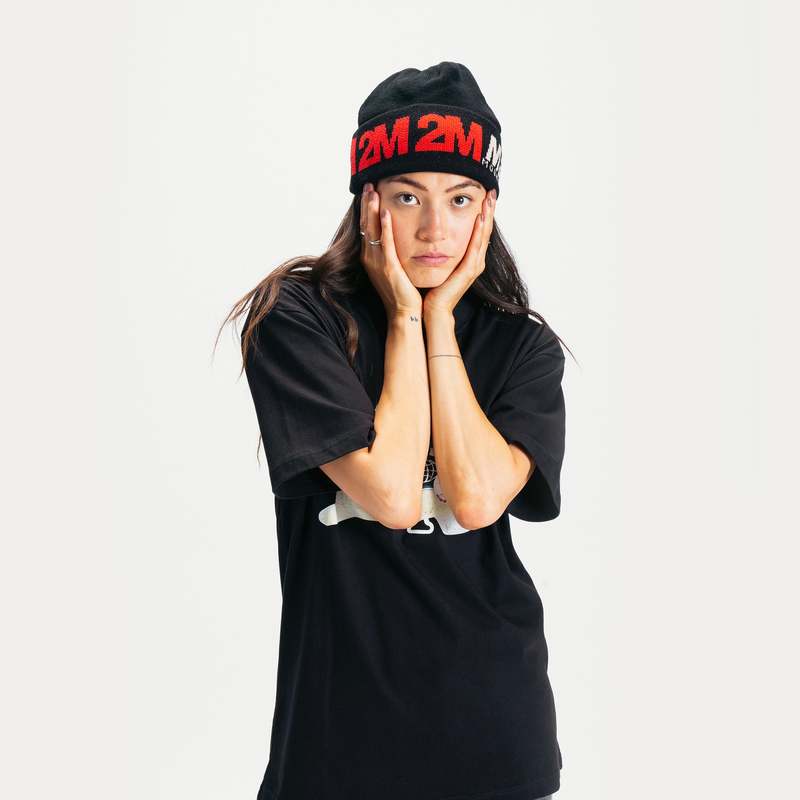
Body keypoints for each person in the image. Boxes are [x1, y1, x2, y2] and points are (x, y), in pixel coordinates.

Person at [222, 61, 570, 800]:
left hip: (496, 732)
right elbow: (388, 495)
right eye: (408, 196)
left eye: (460, 198)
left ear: (487, 210)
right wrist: (407, 316)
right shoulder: (299, 318)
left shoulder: (522, 347)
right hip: (339, 741)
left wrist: (438, 320)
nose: (435, 227)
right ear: (368, 200)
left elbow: (477, 500)